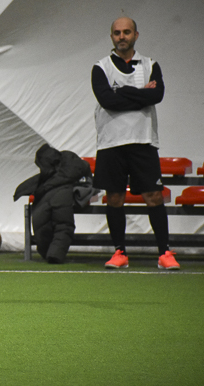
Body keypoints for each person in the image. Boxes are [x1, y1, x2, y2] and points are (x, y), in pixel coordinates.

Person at [91, 17, 179, 270]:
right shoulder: (101, 67)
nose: (122, 36)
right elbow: (107, 101)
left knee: (154, 196)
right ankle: (120, 252)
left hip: (143, 140)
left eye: (127, 32)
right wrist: (141, 94)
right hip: (111, 142)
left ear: (136, 35)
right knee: (114, 197)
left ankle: (164, 253)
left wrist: (121, 91)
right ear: (111, 36)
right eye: (117, 32)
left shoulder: (151, 64)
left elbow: (157, 95)